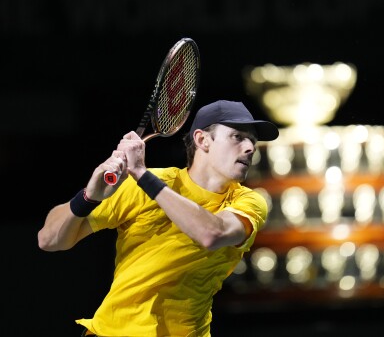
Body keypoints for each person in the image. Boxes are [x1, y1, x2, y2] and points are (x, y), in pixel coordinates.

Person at [38, 100, 279, 337]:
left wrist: (141, 174)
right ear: (202, 140)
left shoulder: (249, 202)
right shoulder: (145, 185)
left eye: (253, 141)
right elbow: (50, 240)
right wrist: (88, 197)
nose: (250, 148)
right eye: (238, 137)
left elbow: (211, 234)